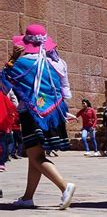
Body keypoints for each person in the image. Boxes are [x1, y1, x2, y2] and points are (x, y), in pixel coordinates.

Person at [1, 24, 76, 209]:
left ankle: (64, 186)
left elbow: (3, 86)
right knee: (35, 156)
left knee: (35, 157)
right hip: (52, 115)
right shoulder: (52, 63)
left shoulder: (21, 64)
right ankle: (28, 197)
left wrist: (12, 59)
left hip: (32, 115)